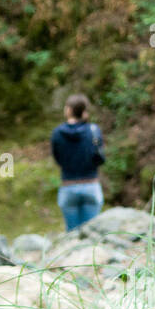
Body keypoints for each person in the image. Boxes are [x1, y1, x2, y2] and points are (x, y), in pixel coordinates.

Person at [51, 93, 105, 231]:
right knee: (91, 233)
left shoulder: (57, 133)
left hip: (68, 185)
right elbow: (99, 157)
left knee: (72, 234)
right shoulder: (94, 130)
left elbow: (57, 158)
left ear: (68, 110)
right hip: (91, 185)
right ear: (84, 111)